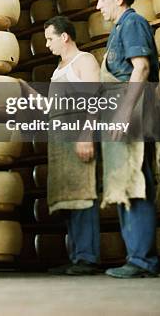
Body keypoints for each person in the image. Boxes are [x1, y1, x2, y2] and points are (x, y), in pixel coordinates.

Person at [95, 0, 160, 279]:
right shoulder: (119, 28)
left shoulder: (132, 23)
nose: (98, 6)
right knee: (124, 181)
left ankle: (142, 261)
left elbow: (141, 68)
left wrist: (123, 112)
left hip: (130, 107)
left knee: (135, 180)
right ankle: (135, 257)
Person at [43, 16, 102, 276]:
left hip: (78, 135)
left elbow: (95, 100)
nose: (47, 45)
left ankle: (88, 258)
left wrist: (87, 135)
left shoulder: (84, 61)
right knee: (68, 200)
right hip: (60, 143)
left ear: (64, 36)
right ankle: (77, 257)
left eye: (49, 38)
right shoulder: (59, 67)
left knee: (83, 196)